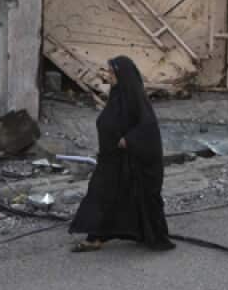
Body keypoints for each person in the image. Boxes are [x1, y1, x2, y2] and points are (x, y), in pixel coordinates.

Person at [68, 56, 175, 252]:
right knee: (102, 194)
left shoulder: (134, 97)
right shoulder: (117, 95)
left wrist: (129, 140)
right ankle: (96, 236)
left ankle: (137, 234)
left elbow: (148, 127)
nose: (109, 76)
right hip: (112, 159)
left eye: (112, 72)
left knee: (126, 196)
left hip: (131, 161)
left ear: (122, 74)